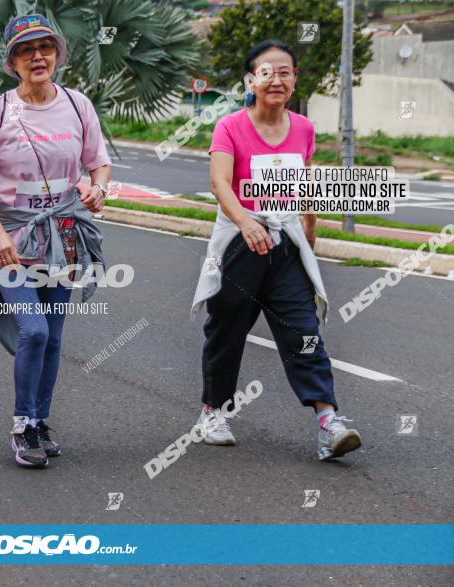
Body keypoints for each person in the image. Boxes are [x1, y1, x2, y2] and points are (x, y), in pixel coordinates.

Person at [191, 40, 362, 461]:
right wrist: (247, 222)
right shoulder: (229, 126)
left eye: (285, 72)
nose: (276, 79)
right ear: (251, 80)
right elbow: (220, 184)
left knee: (304, 331)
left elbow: (301, 184)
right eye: (267, 72)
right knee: (226, 332)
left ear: (294, 80)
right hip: (239, 246)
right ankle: (213, 412)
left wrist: (310, 227)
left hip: (285, 247)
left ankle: (328, 421)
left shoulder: (303, 128)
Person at [0, 14, 111, 468]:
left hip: (62, 237)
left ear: (58, 54)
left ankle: (42, 421)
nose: (37, 56)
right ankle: (23, 424)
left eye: (45, 47)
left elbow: (97, 164)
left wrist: (97, 188)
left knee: (54, 336)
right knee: (34, 329)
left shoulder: (77, 104)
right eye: (26, 50)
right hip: (12, 238)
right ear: (13, 61)